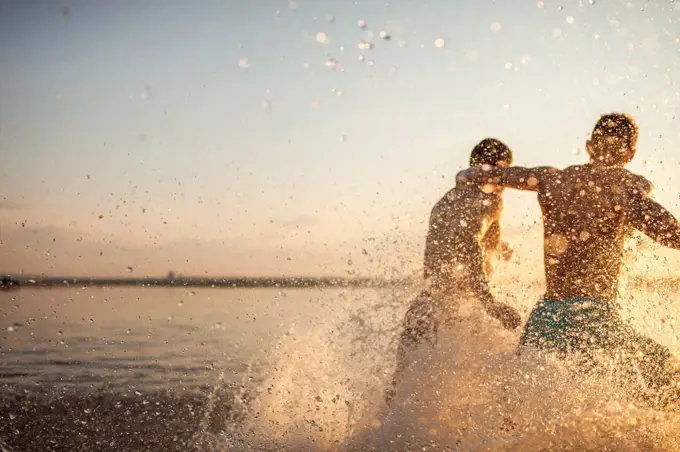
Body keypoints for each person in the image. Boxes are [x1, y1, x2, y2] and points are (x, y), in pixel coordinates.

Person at [456, 113, 680, 409]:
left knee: (514, 422)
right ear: (630, 154)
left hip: (545, 321)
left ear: (589, 146)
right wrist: (639, 195)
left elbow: (495, 174)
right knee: (671, 388)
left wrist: (471, 173)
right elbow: (666, 230)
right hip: (593, 321)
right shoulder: (626, 187)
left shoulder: (552, 179)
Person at [387, 138, 522, 404]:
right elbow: (470, 246)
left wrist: (500, 245)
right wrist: (490, 304)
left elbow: (465, 236)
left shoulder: (449, 198)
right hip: (456, 313)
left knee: (398, 391)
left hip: (424, 308)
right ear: (501, 169)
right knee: (493, 388)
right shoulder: (487, 199)